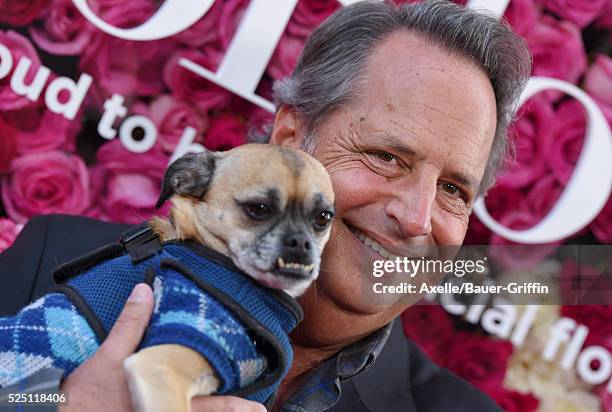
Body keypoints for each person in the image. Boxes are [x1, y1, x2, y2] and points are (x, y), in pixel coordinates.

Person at [0, 1, 531, 411]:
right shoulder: (59, 258)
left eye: (453, 191)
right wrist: (58, 401)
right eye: (387, 157)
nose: (416, 218)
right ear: (291, 138)